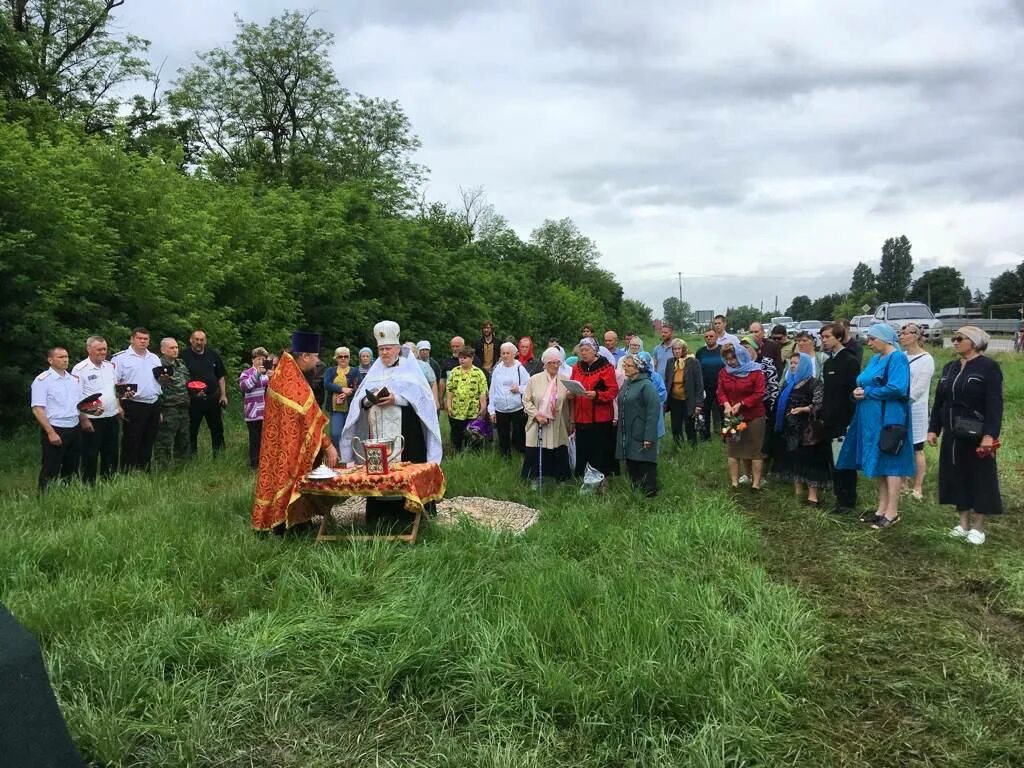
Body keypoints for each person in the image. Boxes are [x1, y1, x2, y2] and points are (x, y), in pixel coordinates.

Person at [251, 331, 338, 533]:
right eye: (315, 356)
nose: (317, 362)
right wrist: (328, 446)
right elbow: (309, 418)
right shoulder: (290, 380)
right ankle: (287, 524)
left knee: (285, 476)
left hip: (284, 439)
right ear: (305, 356)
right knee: (289, 475)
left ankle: (294, 520)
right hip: (290, 442)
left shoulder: (286, 371)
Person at [928, 326, 1003, 545]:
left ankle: (978, 527)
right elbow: (940, 401)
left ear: (975, 342)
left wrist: (990, 435)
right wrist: (934, 428)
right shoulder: (950, 367)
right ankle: (962, 523)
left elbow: (995, 404)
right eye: (954, 338)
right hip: (953, 433)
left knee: (979, 477)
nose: (955, 341)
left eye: (959, 338)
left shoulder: (988, 367)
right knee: (956, 475)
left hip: (977, 434)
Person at [836, 323, 914, 529]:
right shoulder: (874, 359)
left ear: (886, 338)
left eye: (872, 339)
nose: (868, 343)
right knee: (879, 462)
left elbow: (898, 387)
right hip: (870, 417)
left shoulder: (897, 358)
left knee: (891, 463)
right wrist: (856, 392)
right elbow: (863, 382)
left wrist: (868, 393)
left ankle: (893, 511)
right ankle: (881, 508)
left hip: (889, 417)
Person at [771, 353, 831, 506]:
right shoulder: (789, 383)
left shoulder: (814, 383)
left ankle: (812, 496)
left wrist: (804, 409)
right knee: (794, 460)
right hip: (791, 429)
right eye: (791, 363)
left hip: (808, 430)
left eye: (796, 363)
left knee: (810, 462)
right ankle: (798, 492)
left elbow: (819, 404)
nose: (792, 366)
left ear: (804, 365)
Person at [819, 323, 861, 513]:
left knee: (844, 459)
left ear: (838, 337)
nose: (824, 340)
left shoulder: (849, 360)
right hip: (829, 420)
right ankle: (838, 495)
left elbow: (852, 394)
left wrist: (850, 421)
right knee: (833, 459)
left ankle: (847, 499)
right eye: (822, 337)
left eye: (827, 337)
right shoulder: (828, 363)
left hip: (844, 420)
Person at [30, 347, 83, 491]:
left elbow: (79, 405)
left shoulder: (73, 380)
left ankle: (67, 496)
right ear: (50, 360)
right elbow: (37, 409)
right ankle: (45, 499)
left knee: (71, 467)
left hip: (74, 427)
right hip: (56, 428)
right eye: (60, 357)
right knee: (51, 467)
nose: (65, 360)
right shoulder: (43, 380)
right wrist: (50, 432)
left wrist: (92, 411)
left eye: (66, 356)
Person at [521, 347, 574, 488]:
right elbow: (526, 400)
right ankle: (536, 479)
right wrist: (536, 414)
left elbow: (570, 401)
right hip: (538, 422)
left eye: (558, 363)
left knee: (558, 449)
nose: (555, 366)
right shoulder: (534, 379)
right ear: (545, 364)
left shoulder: (565, 380)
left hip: (558, 422)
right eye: (552, 363)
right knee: (537, 449)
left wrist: (571, 419)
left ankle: (560, 479)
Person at [717, 343, 767, 489]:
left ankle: (756, 483)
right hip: (732, 416)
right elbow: (720, 391)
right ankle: (734, 482)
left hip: (754, 415)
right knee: (733, 448)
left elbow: (759, 393)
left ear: (741, 356)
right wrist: (726, 404)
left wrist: (742, 404)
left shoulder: (756, 372)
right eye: (727, 359)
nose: (730, 362)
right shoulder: (724, 372)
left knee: (755, 449)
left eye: (733, 358)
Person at [113, 328, 163, 471]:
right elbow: (114, 383)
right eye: (139, 338)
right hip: (133, 403)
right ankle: (127, 471)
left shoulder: (154, 358)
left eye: (145, 339)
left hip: (153, 402)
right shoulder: (121, 358)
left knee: (149, 439)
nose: (142, 341)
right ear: (132, 339)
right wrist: (118, 405)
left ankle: (144, 469)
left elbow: (158, 382)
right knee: (131, 439)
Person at [72, 336, 120, 484]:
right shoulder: (80, 369)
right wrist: (84, 419)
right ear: (89, 349)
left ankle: (109, 482)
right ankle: (88, 484)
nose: (103, 352)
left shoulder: (110, 366)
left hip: (111, 416)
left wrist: (119, 406)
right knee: (90, 454)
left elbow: (114, 389)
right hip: (92, 419)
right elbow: (76, 397)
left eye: (105, 349)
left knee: (111, 452)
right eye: (99, 349)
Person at [570, 337, 620, 476]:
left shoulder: (606, 367)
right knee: (583, 448)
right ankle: (582, 475)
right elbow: (573, 384)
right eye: (582, 350)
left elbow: (613, 391)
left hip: (599, 418)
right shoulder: (577, 367)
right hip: (581, 416)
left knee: (598, 450)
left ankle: (600, 477)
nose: (584, 353)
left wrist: (597, 395)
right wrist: (571, 392)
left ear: (595, 351)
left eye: (587, 350)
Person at [899, 323, 935, 501]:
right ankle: (903, 483)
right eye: (900, 334)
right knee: (902, 445)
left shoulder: (926, 359)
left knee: (916, 448)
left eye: (904, 334)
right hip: (899, 407)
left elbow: (920, 387)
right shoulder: (902, 357)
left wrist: (905, 399)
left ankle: (918, 487)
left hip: (915, 408)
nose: (901, 337)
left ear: (915, 336)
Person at [616, 354, 661, 497]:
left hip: (641, 431)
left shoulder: (647, 386)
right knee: (632, 461)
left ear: (638, 369)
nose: (625, 368)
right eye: (624, 365)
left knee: (644, 462)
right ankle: (635, 491)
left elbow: (653, 412)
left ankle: (650, 494)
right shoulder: (627, 383)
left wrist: (649, 436)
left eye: (628, 366)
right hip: (627, 430)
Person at [179, 329, 227, 456]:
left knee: (217, 429)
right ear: (191, 340)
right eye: (197, 340)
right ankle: (190, 456)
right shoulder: (183, 355)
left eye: (202, 340)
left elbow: (221, 376)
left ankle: (220, 455)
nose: (199, 342)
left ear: (205, 341)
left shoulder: (213, 355)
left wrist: (223, 395)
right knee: (191, 429)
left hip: (213, 397)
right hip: (192, 399)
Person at [740, 335, 779, 482]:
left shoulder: (766, 363)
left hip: (761, 408)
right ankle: (746, 473)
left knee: (759, 443)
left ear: (756, 348)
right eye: (741, 348)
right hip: (742, 408)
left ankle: (760, 475)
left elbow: (773, 387)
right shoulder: (739, 364)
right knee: (743, 441)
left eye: (747, 348)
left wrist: (769, 407)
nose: (744, 351)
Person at [154, 338, 191, 465]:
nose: (175, 350)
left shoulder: (181, 365)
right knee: (164, 441)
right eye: (171, 348)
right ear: (163, 350)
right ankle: (162, 468)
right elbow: (154, 389)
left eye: (176, 347)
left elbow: (187, 384)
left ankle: (181, 467)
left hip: (183, 407)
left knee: (183, 439)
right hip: (168, 408)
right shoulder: (157, 366)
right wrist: (158, 410)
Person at [444, 346, 489, 452]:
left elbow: (482, 391)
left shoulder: (478, 373)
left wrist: (483, 406)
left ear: (471, 358)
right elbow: (450, 390)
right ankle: (457, 454)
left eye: (465, 358)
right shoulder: (455, 371)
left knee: (473, 436)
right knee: (456, 435)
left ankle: (474, 456)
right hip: (457, 410)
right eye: (460, 358)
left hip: (473, 410)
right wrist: (449, 405)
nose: (462, 360)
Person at [488, 342, 528, 457]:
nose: (505, 356)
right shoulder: (497, 370)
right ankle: (505, 457)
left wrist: (519, 389)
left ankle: (520, 454)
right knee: (503, 435)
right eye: (503, 353)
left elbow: (530, 387)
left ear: (514, 354)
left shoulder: (520, 368)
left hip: (517, 408)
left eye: (508, 353)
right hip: (501, 409)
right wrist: (491, 410)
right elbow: (492, 390)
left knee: (519, 434)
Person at [663, 338, 704, 447]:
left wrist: (699, 403)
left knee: (689, 426)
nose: (676, 351)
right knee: (675, 427)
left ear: (684, 349)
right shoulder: (671, 362)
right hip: (674, 400)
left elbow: (699, 384)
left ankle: (692, 448)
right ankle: (678, 448)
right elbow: (667, 380)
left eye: (679, 349)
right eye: (674, 349)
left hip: (688, 400)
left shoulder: (693, 362)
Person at [239, 346, 271, 470]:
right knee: (255, 440)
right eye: (257, 359)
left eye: (263, 359)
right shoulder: (246, 373)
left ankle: (266, 464)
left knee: (266, 439)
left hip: (266, 412)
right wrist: (257, 374)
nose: (260, 362)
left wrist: (273, 377)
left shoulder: (268, 373)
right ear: (253, 360)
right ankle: (254, 465)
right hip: (252, 413)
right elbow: (245, 387)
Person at [696, 329, 725, 440]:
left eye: (711, 336)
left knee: (723, 411)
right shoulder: (701, 352)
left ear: (716, 337)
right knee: (704, 411)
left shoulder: (723, 350)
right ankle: (704, 435)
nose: (709, 338)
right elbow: (697, 369)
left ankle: (726, 435)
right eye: (706, 337)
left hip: (721, 386)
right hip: (705, 387)